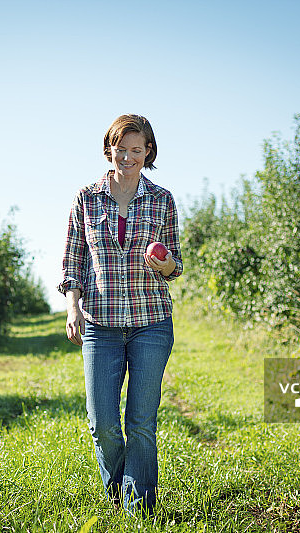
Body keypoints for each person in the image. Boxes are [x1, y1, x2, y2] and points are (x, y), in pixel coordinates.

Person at [57, 114, 183, 515]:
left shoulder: (162, 200)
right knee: (102, 424)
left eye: (137, 149)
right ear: (109, 149)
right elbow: (72, 261)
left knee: (142, 422)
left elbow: (176, 264)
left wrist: (163, 264)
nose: (128, 157)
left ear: (148, 152)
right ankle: (117, 491)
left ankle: (138, 509)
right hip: (100, 324)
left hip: (151, 323)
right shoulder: (87, 198)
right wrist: (72, 307)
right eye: (121, 149)